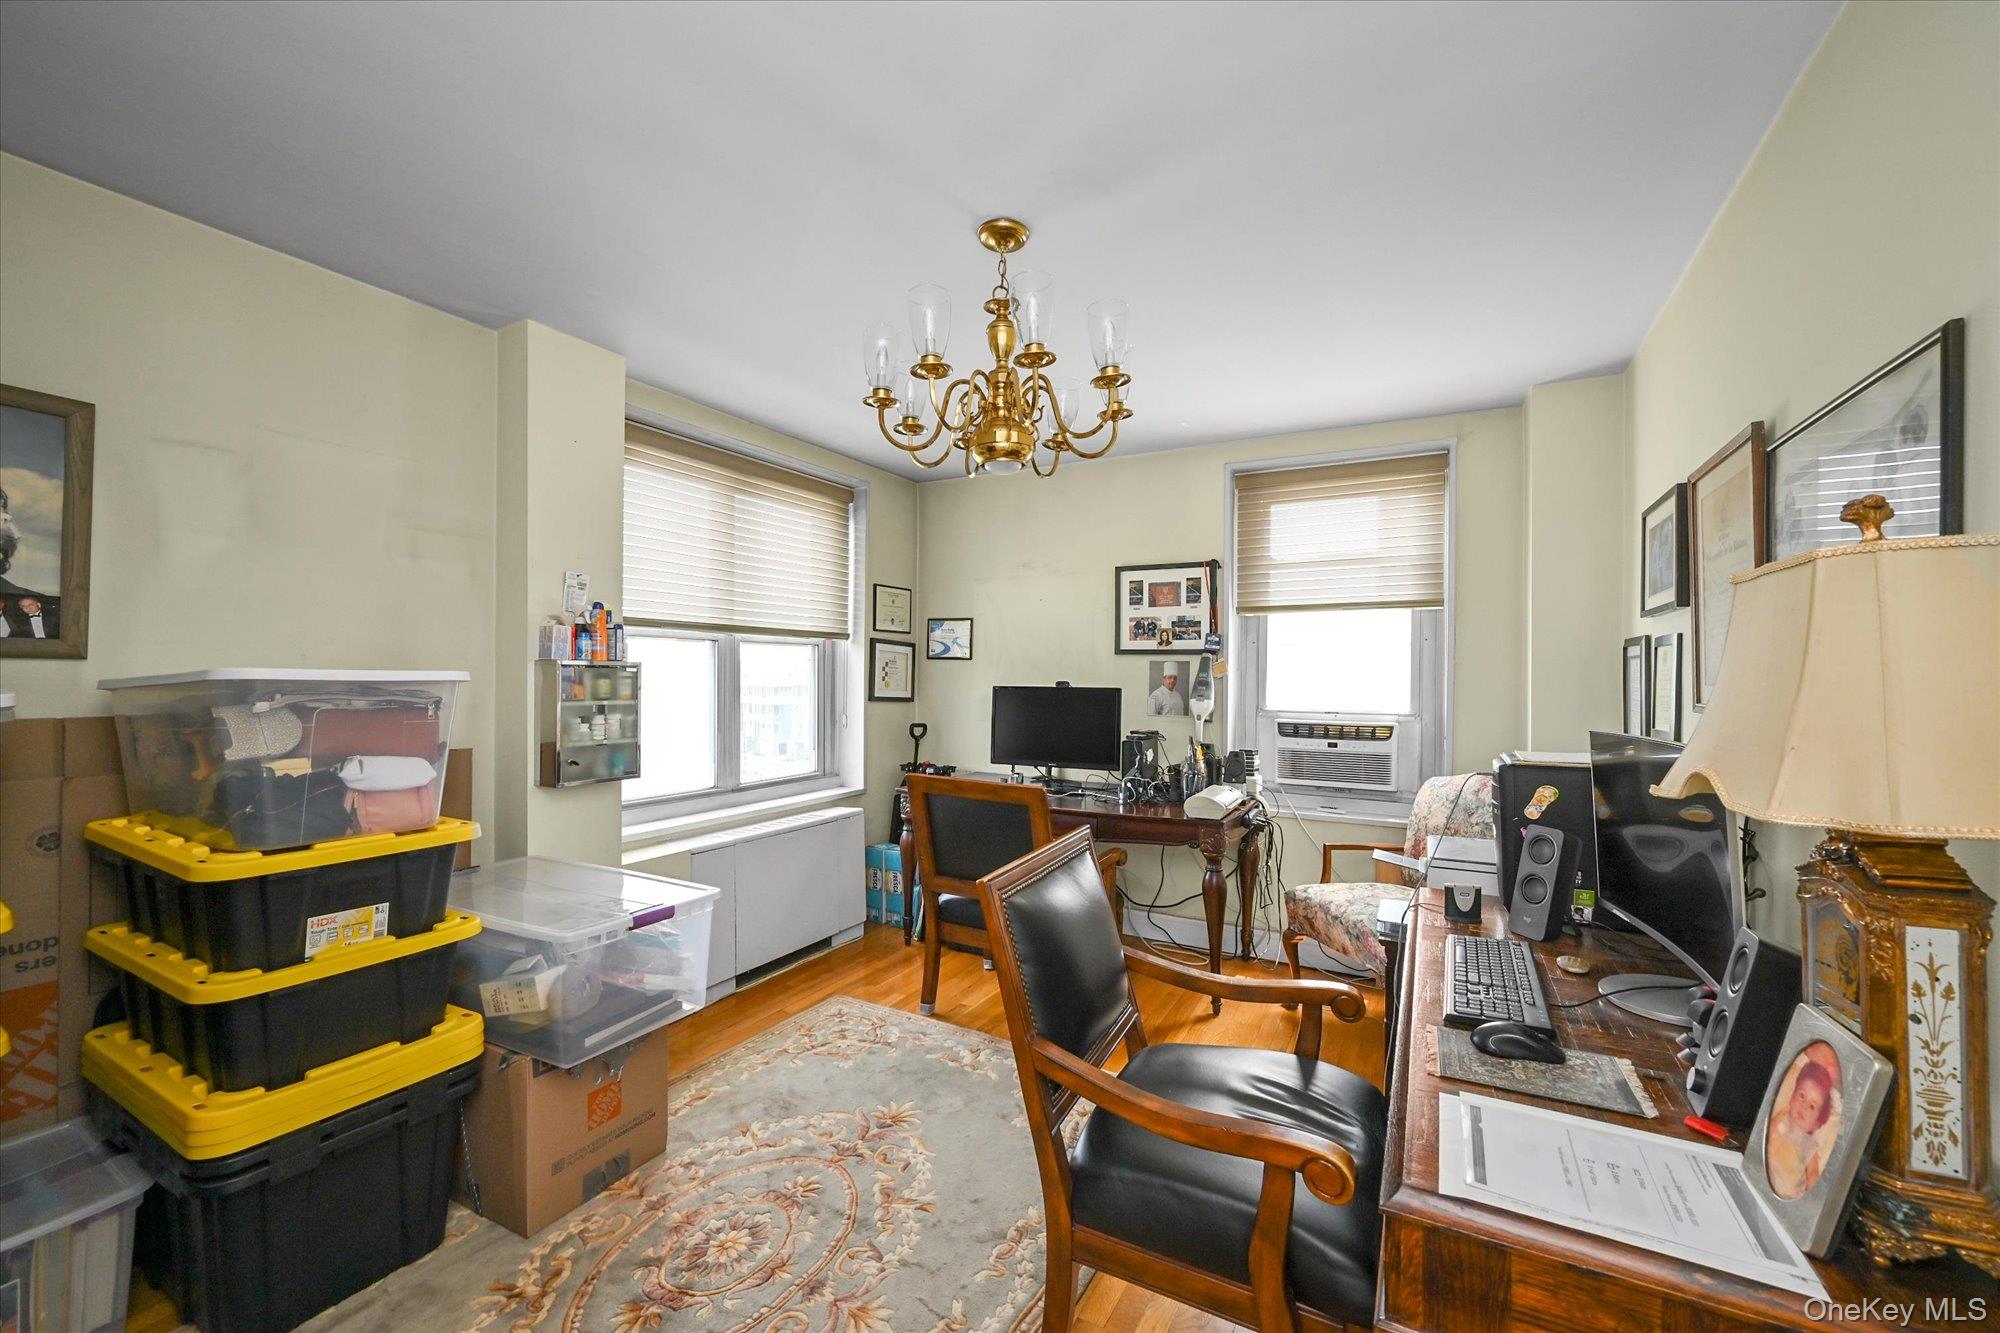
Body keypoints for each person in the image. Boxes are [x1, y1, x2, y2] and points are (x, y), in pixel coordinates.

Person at [1765, 1050, 1838, 1200]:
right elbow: (1767, 1138)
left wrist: (1811, 1198)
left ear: (1816, 1124)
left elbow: (1812, 1173)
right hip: (1768, 1175)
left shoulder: (1808, 1143)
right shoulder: (1781, 1118)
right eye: (1802, 1096)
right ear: (1791, 1098)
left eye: (1812, 1107)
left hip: (1789, 1190)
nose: (1804, 1106)